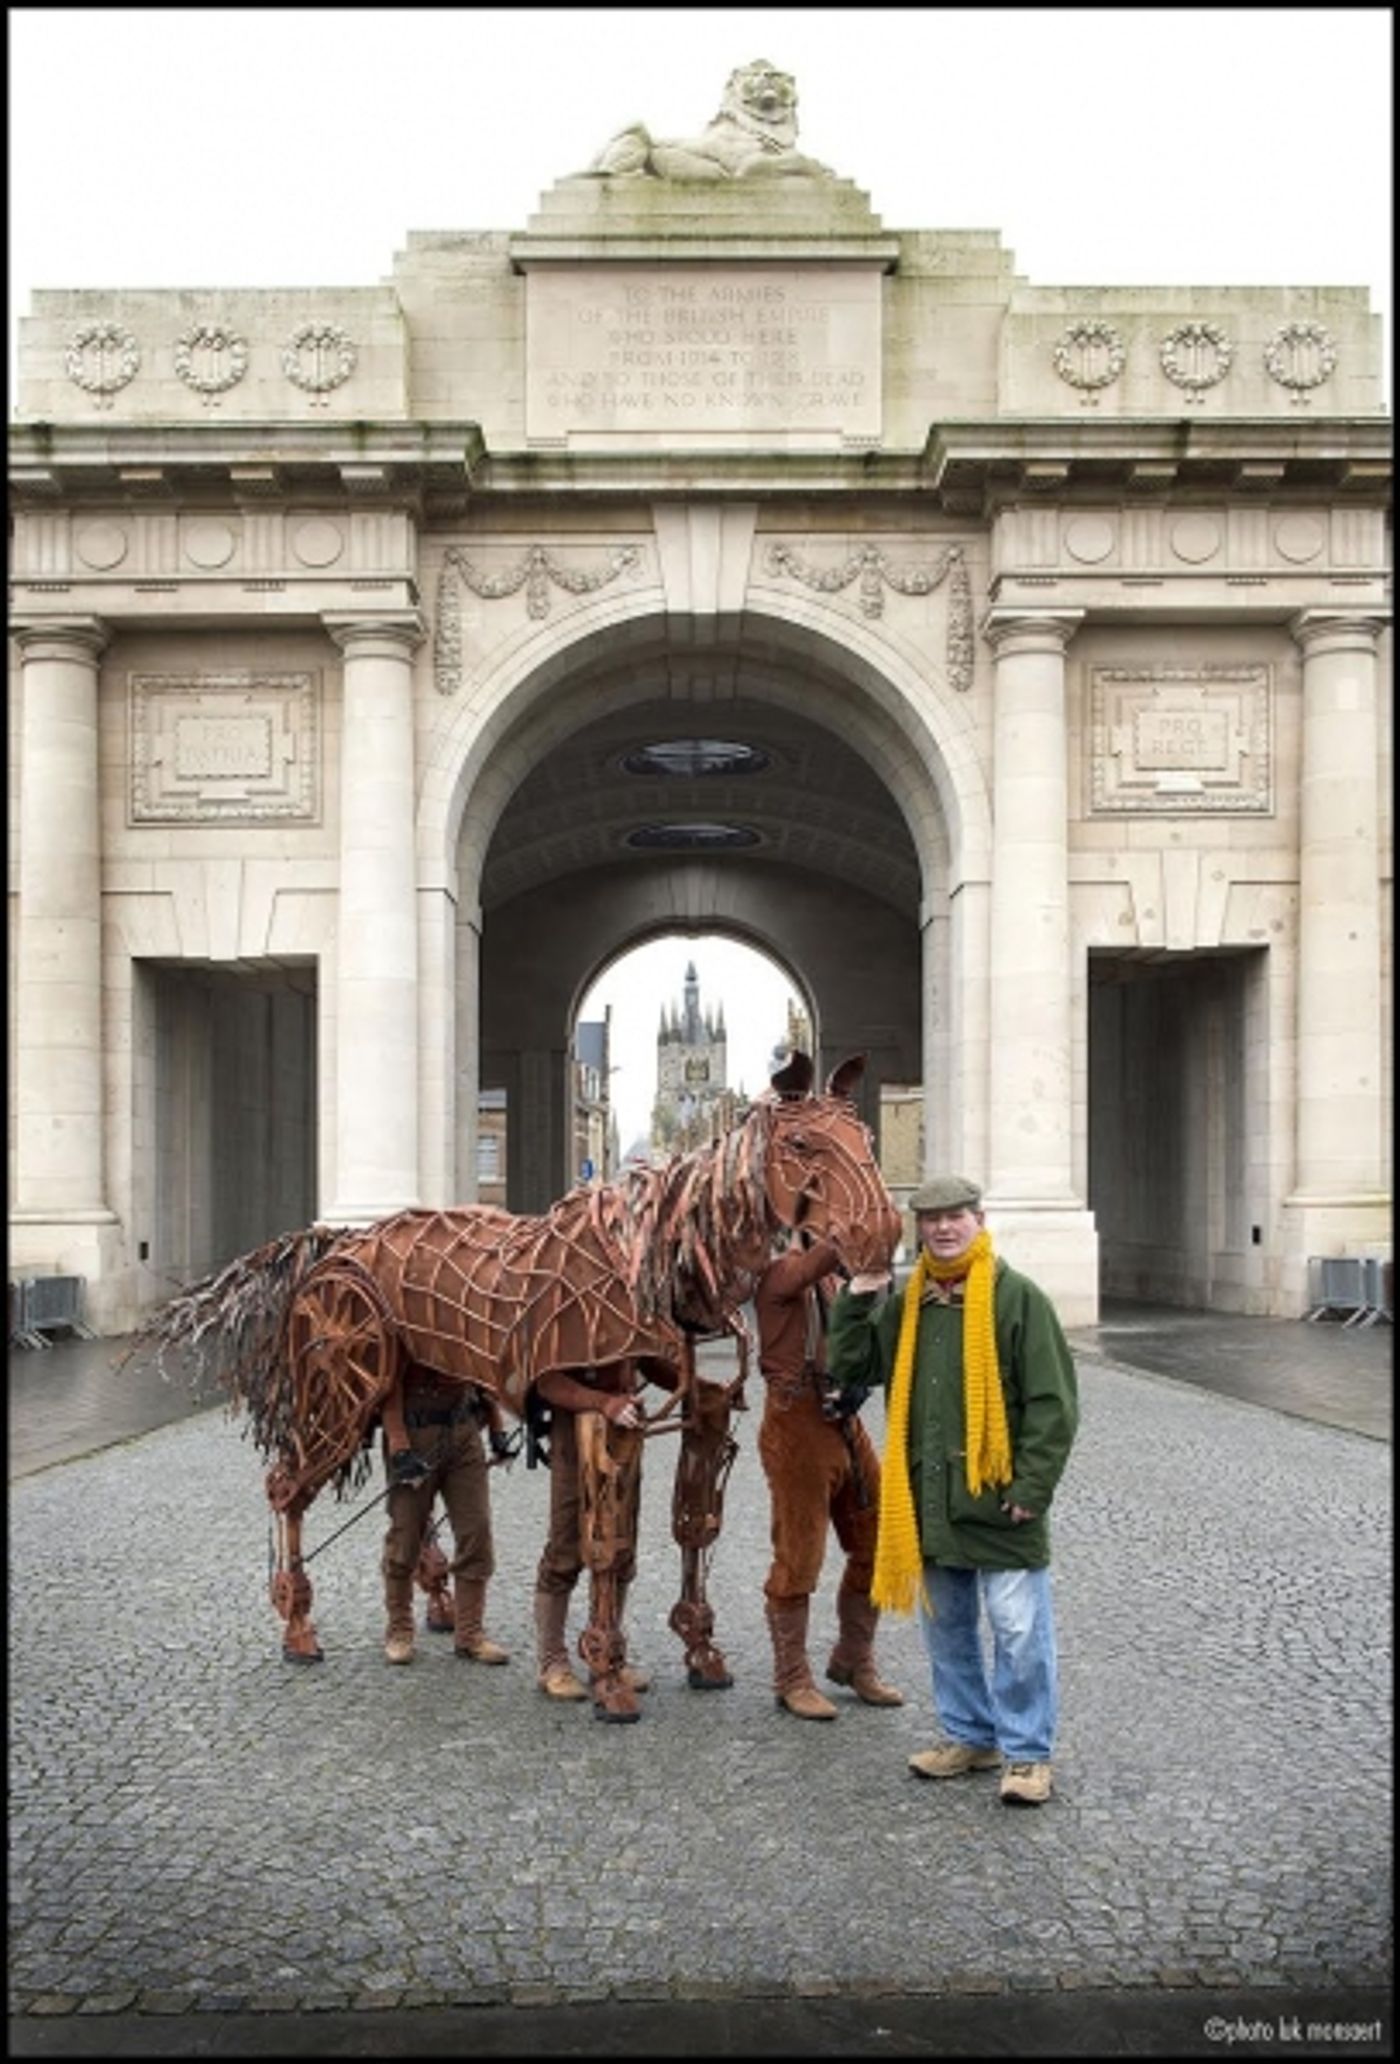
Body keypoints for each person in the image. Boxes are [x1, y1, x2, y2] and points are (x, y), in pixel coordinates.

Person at [826, 1175, 1079, 1805]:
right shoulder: (909, 1304)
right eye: (932, 1218)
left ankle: (1027, 1755)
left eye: (955, 1217)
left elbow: (1053, 1405)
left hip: (998, 1499)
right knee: (949, 1630)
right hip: (929, 1502)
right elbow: (852, 1365)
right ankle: (970, 1736)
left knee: (1018, 1631)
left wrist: (1031, 1486)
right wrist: (858, 1299)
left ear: (979, 1219)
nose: (943, 1228)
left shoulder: (1016, 1299)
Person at [754, 1229, 903, 1720]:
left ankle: (854, 1658)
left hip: (841, 1421)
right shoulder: (779, 1274)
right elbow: (806, 1269)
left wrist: (857, 1384)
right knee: (800, 1553)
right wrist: (854, 1227)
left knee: (877, 1539)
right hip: (795, 1421)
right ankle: (791, 1676)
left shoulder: (836, 1285)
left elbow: (855, 1342)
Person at [530, 1363, 652, 1709]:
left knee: (620, 1547)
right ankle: (552, 1661)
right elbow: (547, 1380)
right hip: (573, 1440)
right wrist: (602, 1402)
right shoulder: (561, 1308)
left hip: (622, 1436)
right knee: (565, 1549)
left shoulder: (634, 1307)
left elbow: (647, 1357)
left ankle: (609, 1653)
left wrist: (697, 1384)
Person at [380, 1362, 511, 1668]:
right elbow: (387, 1380)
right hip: (414, 1433)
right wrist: (399, 1444)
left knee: (476, 1531)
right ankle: (399, 1630)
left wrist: (496, 1427)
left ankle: (470, 1634)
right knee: (405, 1534)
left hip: (462, 1433)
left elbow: (482, 1363)